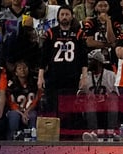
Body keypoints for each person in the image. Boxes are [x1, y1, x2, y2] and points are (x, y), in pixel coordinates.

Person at [38, 4, 87, 136]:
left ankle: (68, 135)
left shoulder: (78, 33)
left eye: (67, 14)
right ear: (58, 16)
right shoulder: (50, 33)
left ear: (72, 16)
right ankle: (51, 135)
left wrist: (84, 76)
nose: (64, 17)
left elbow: (83, 57)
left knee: (69, 107)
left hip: (72, 76)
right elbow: (44, 57)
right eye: (62, 14)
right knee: (52, 107)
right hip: (53, 76)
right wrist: (40, 76)